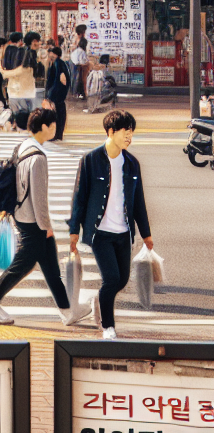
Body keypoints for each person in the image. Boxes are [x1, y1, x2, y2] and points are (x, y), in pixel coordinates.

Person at [0, 108, 92, 327]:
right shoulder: (38, 157)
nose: (57, 128)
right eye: (54, 125)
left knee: (51, 267)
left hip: (21, 214)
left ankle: (67, 310)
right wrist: (46, 226)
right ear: (45, 127)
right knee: (23, 264)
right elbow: (39, 197)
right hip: (32, 220)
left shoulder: (23, 146)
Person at [69, 109, 153, 339]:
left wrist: (146, 234)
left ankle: (101, 299)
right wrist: (73, 230)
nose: (129, 136)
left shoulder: (132, 164)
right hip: (100, 233)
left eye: (131, 132)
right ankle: (108, 326)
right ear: (111, 132)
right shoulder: (91, 160)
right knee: (112, 279)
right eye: (125, 131)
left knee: (122, 279)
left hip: (123, 233)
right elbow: (80, 197)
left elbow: (139, 202)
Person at [45, 46, 70, 140]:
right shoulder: (59, 63)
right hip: (59, 94)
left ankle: (57, 135)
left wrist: (51, 94)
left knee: (57, 115)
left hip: (57, 95)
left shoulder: (58, 63)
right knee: (59, 114)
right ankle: (58, 134)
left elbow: (60, 79)